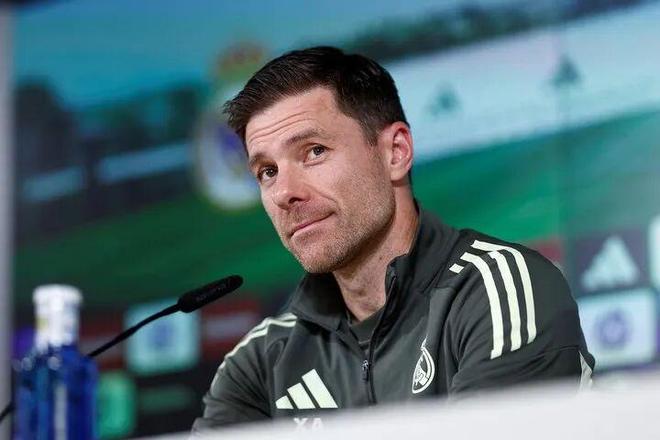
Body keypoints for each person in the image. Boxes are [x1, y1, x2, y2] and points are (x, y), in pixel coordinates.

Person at [192, 46, 594, 431]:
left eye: (314, 151)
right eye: (267, 172)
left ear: (396, 153)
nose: (284, 192)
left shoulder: (500, 290)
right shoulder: (260, 363)